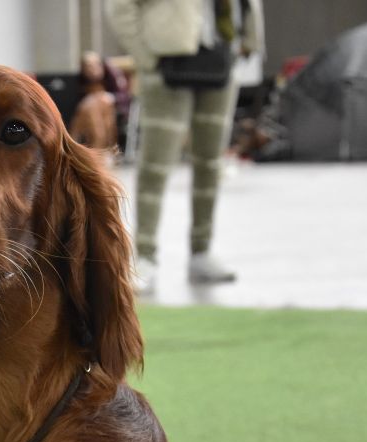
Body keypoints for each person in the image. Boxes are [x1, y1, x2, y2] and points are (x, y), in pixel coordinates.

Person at [106, 0, 265, 290]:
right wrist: (146, 57)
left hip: (221, 57)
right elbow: (120, 5)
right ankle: (146, 256)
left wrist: (250, 41)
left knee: (210, 163)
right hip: (167, 62)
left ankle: (201, 251)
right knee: (155, 165)